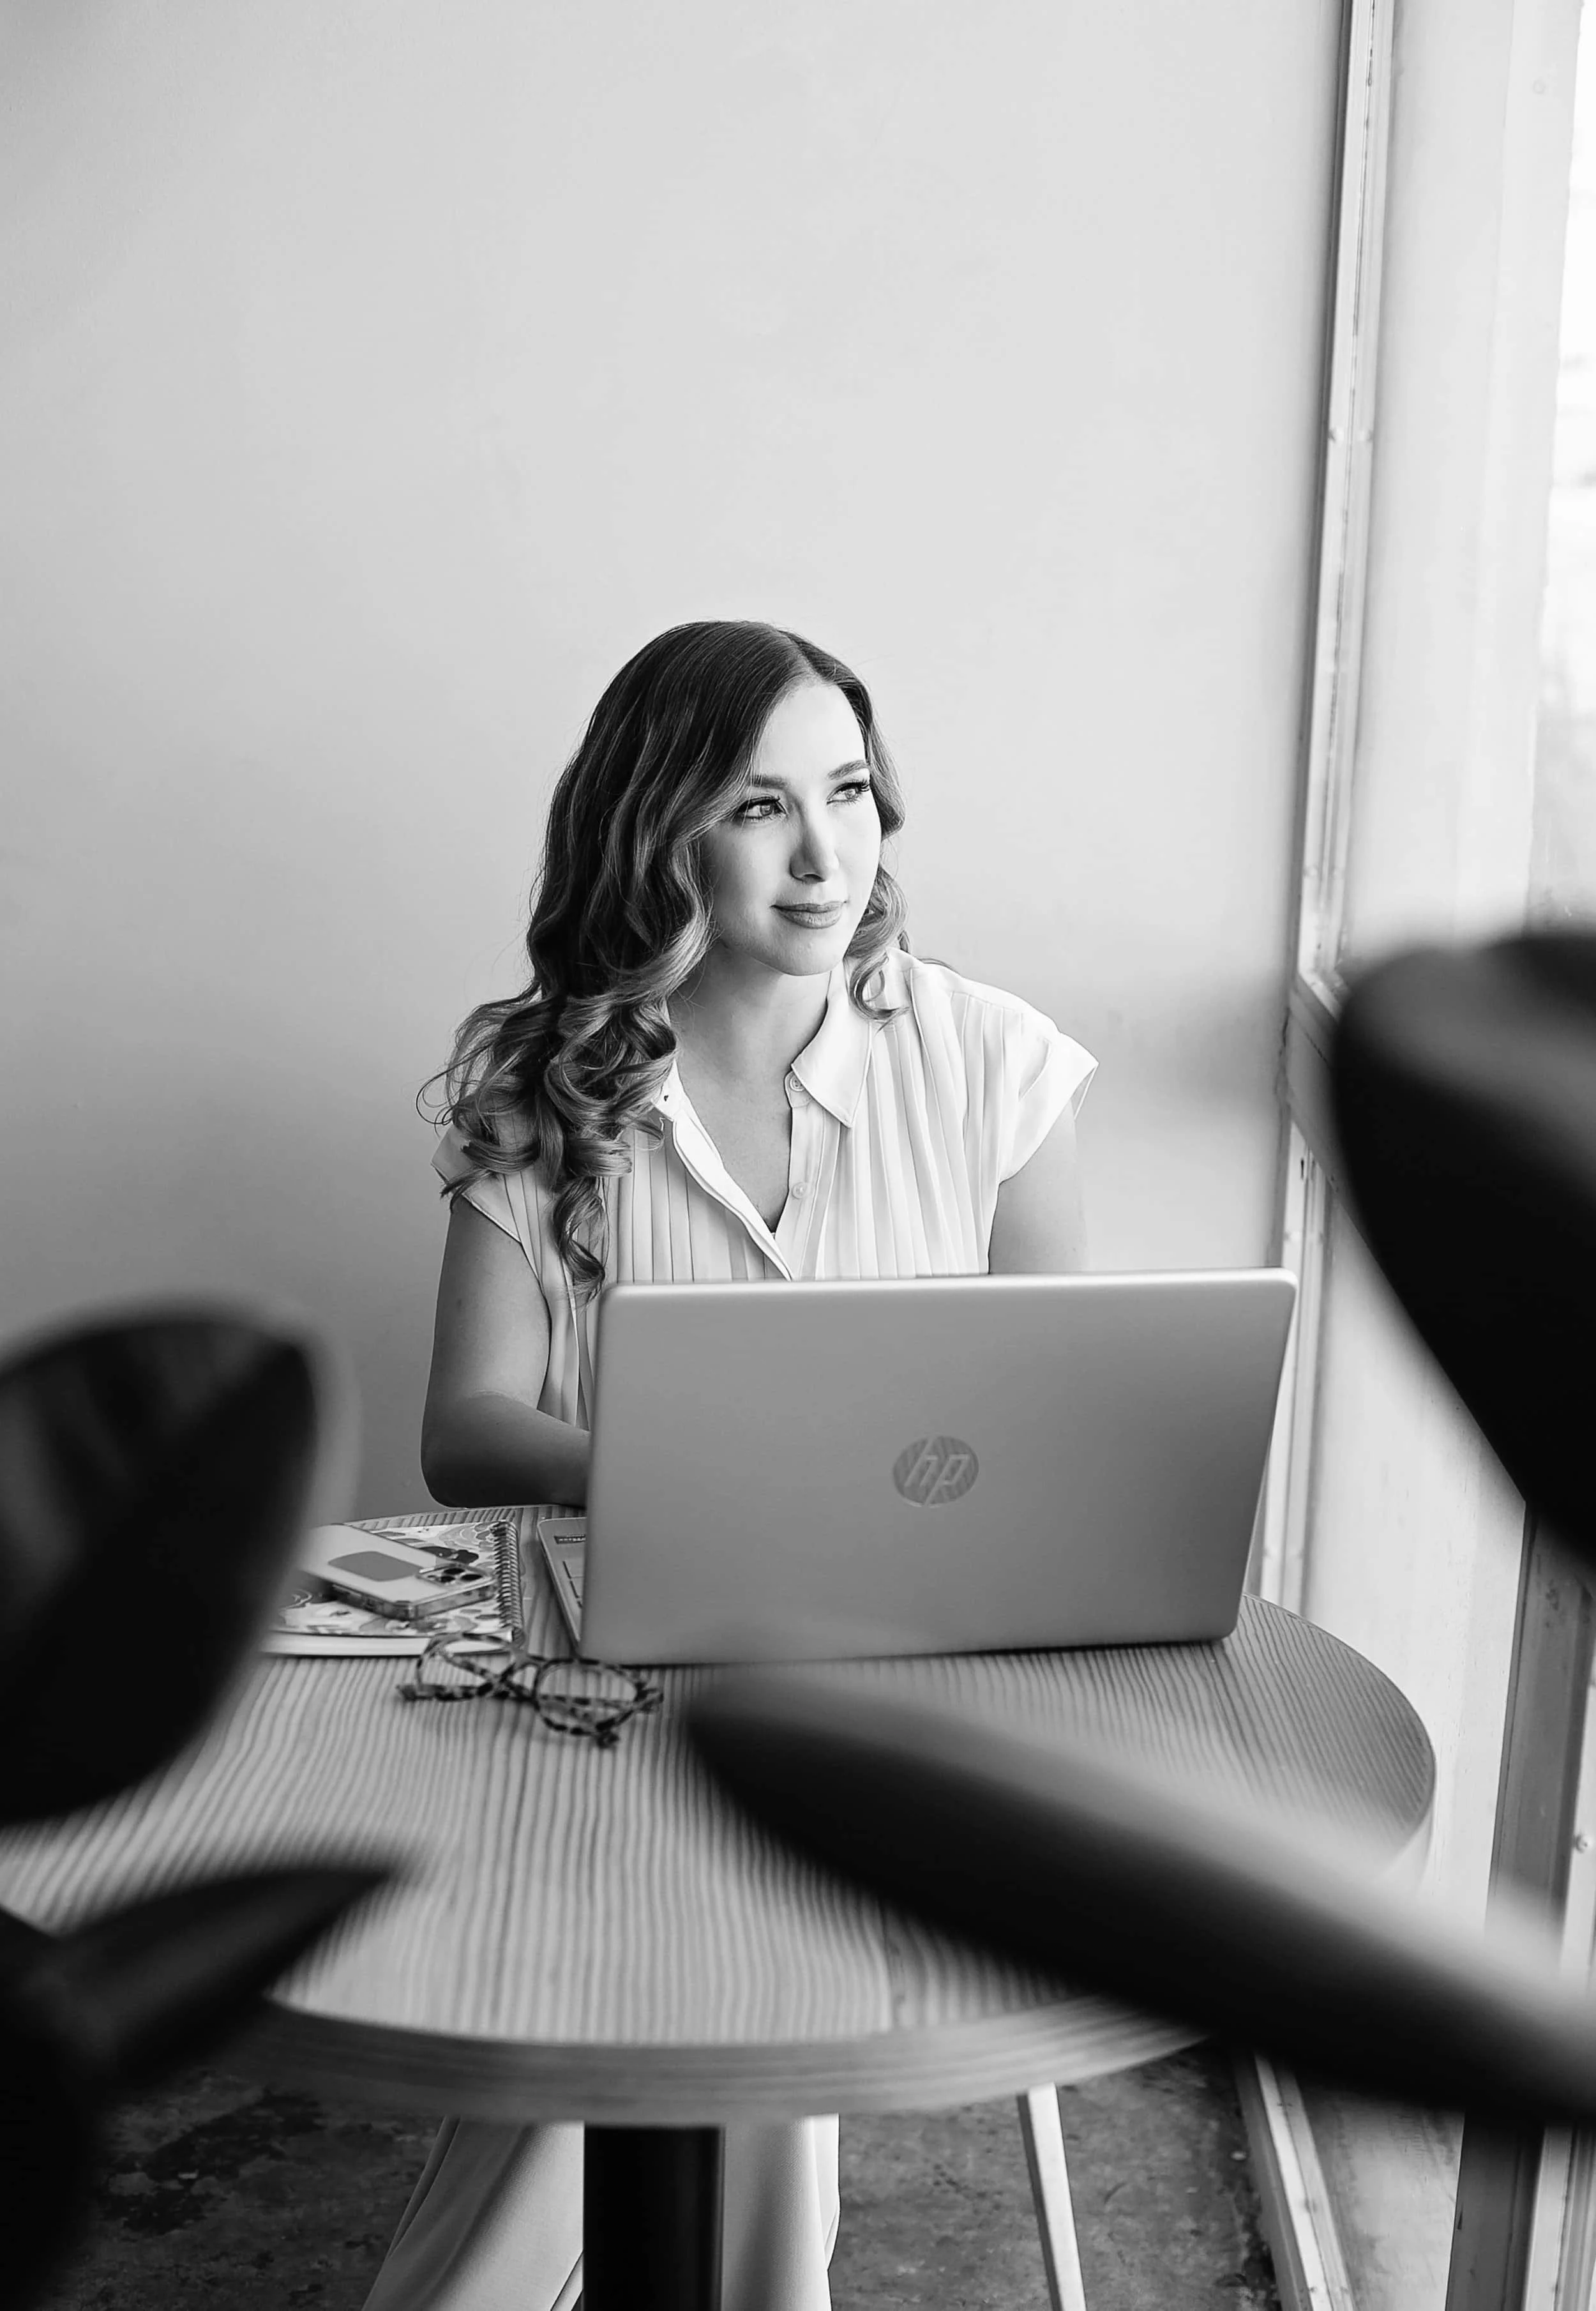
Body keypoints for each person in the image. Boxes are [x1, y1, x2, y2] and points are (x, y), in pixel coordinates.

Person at [365, 619, 1095, 2311]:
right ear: (663, 830)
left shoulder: (988, 1064)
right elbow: (466, 1431)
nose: (826, 852)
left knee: (723, 1941)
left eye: (848, 791)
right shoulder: (550, 1079)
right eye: (761, 805)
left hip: (909, 1667)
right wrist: (703, 1465)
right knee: (715, 1945)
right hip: (630, 1660)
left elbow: (1062, 1408)